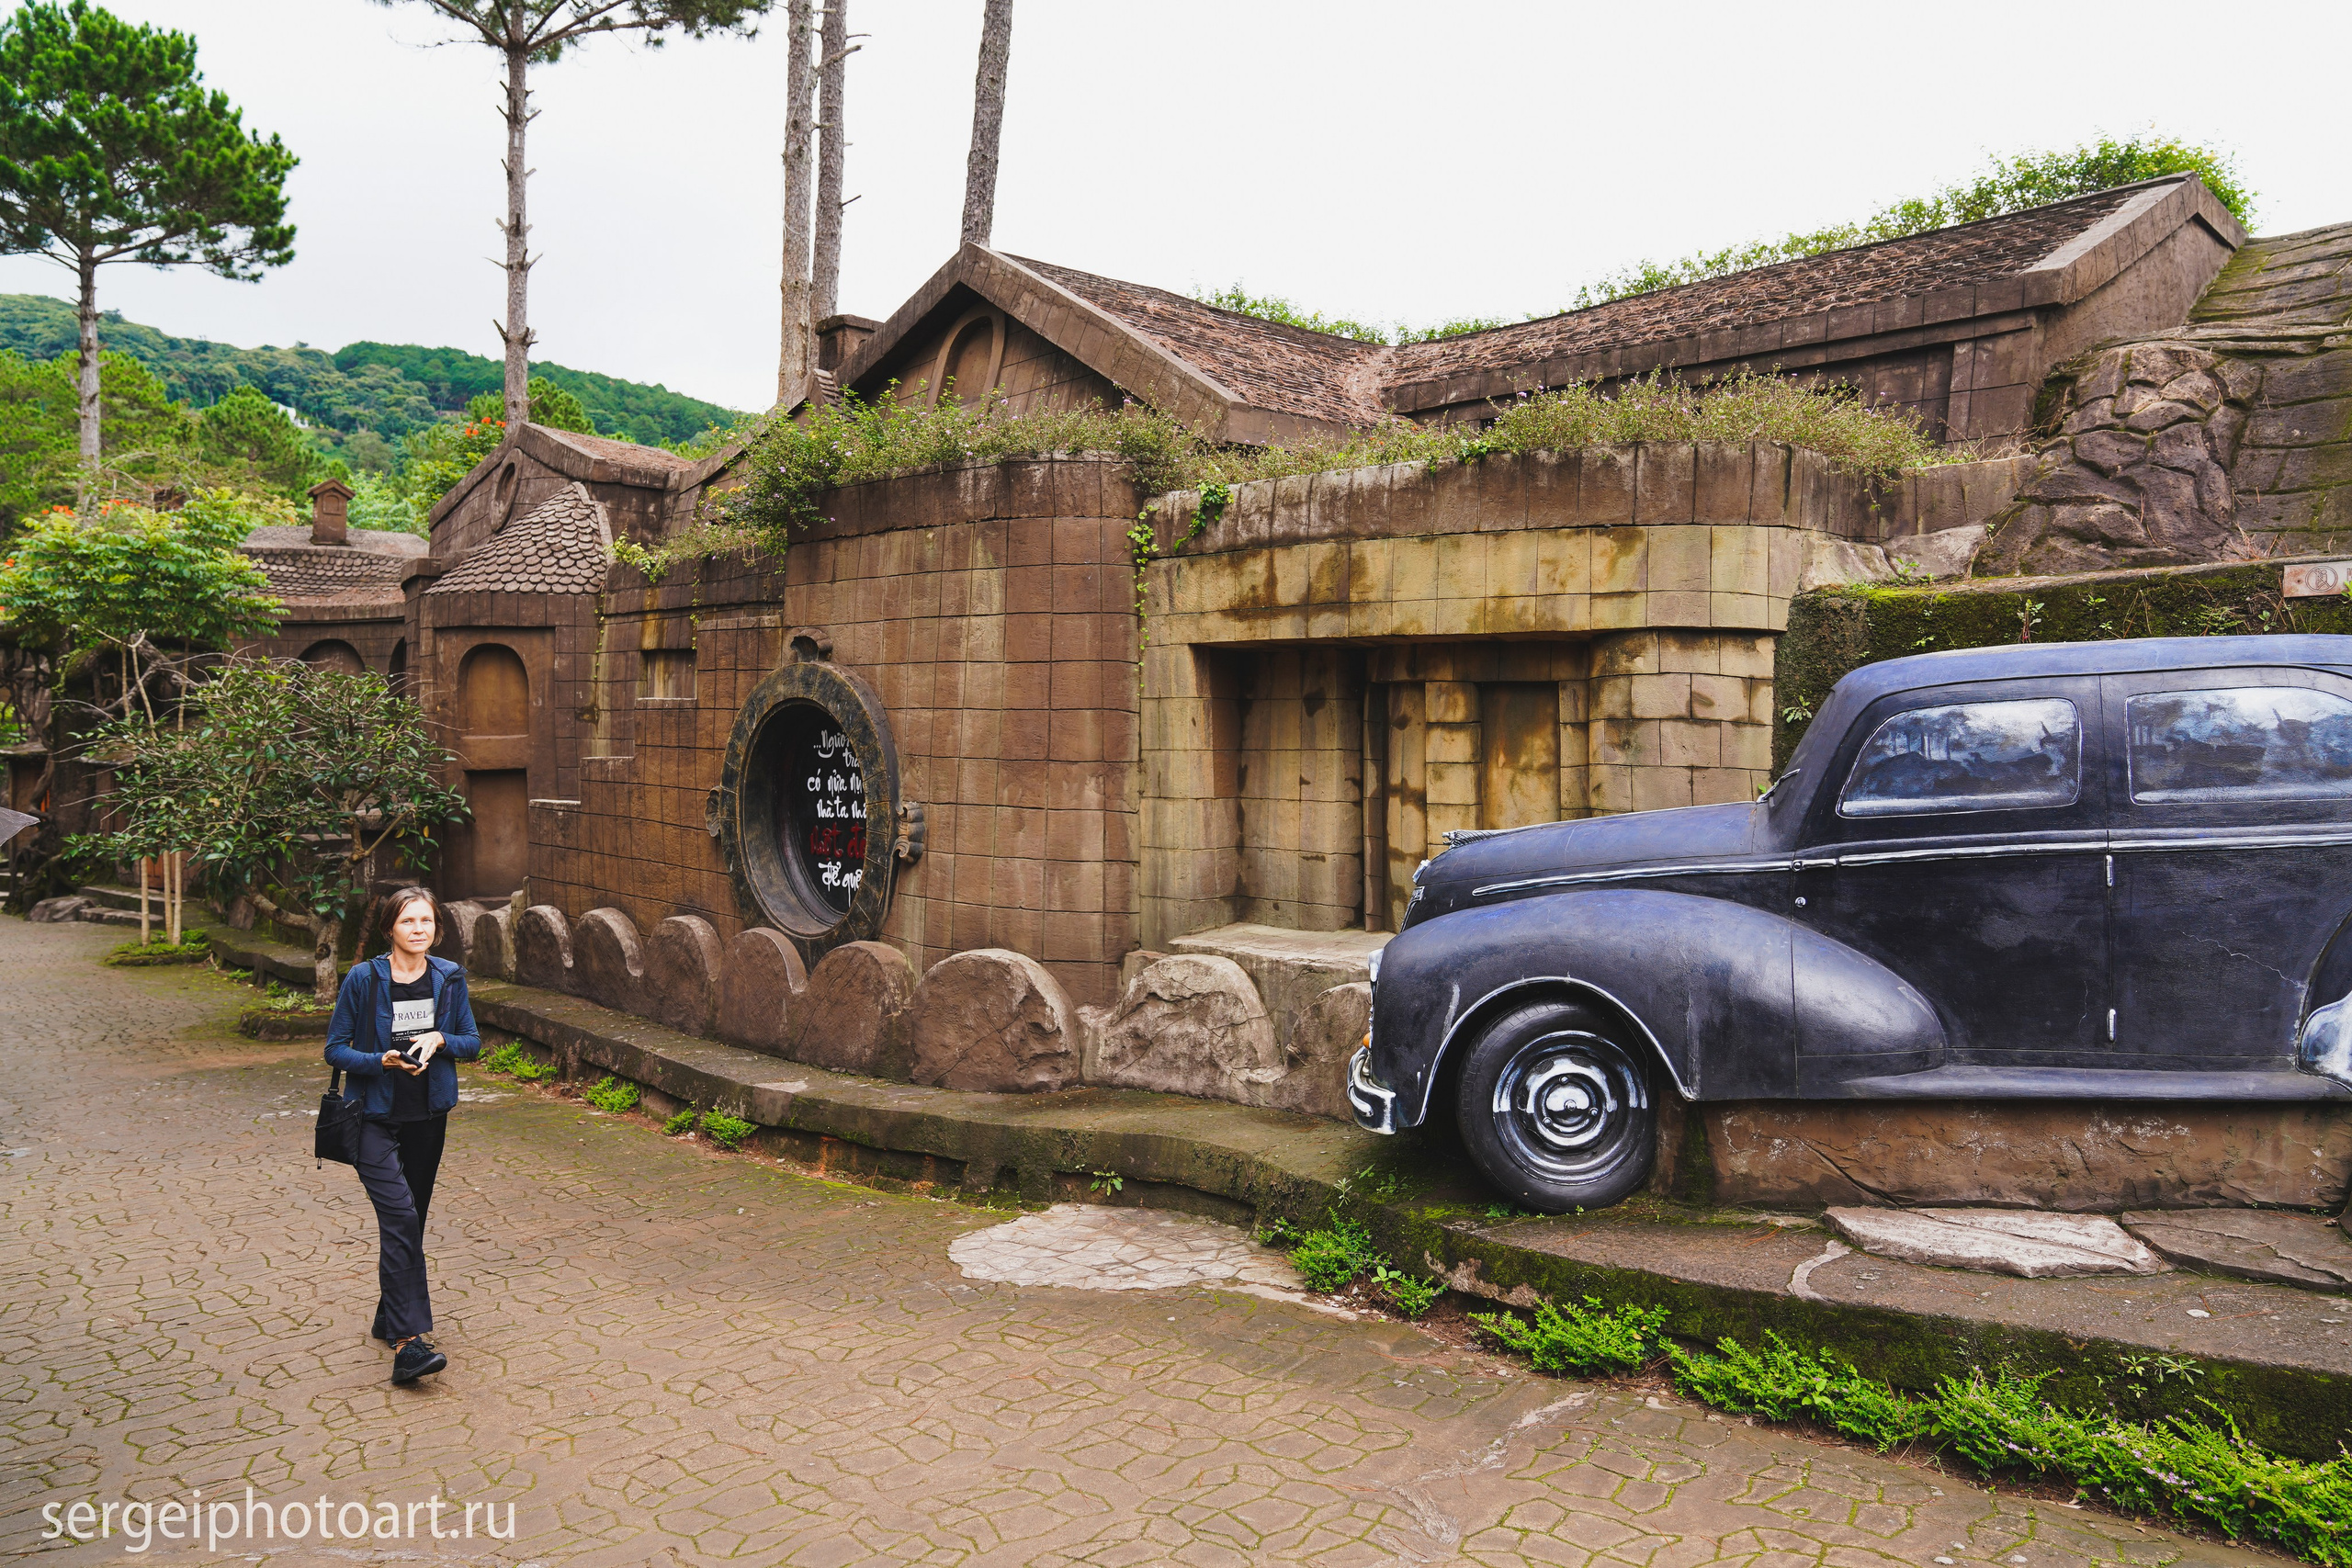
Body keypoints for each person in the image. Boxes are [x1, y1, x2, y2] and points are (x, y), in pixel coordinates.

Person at [322, 886, 481, 1384]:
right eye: (408, 921)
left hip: (427, 1118)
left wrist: (441, 1038)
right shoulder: (363, 979)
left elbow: (472, 1043)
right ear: (389, 927)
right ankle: (408, 1345)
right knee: (399, 1216)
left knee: (411, 1221)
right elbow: (335, 1049)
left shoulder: (448, 978)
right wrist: (380, 1060)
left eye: (426, 921)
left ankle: (389, 1313)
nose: (419, 929)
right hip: (372, 1116)